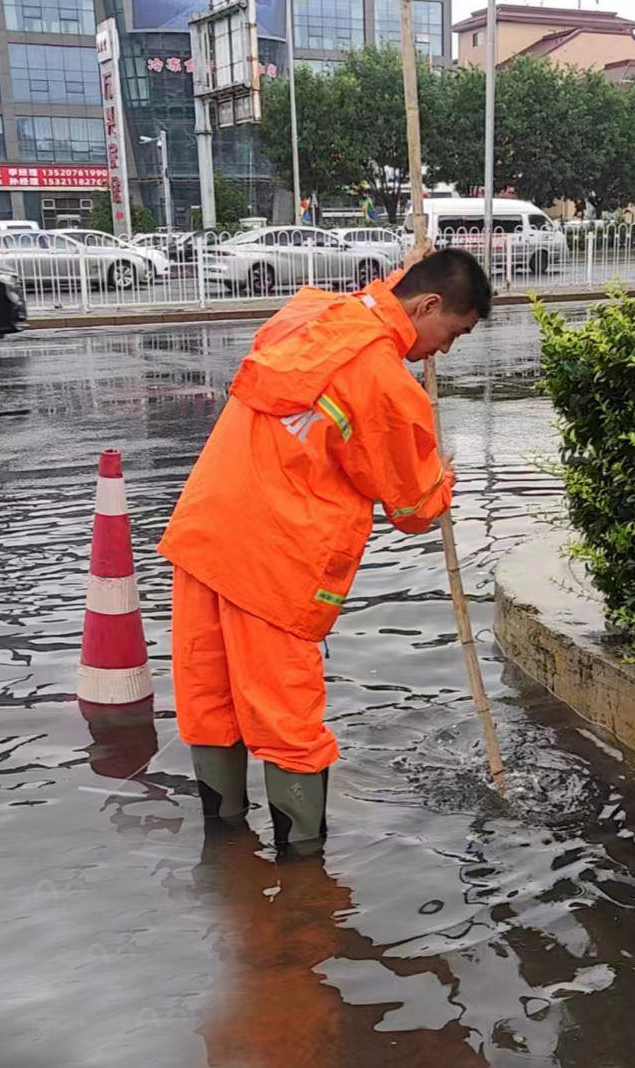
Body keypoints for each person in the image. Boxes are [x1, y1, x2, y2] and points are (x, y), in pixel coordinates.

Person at [157, 246, 493, 853]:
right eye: (454, 332)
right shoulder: (385, 383)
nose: (446, 349)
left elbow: (378, 306)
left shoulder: (309, 313)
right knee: (288, 724)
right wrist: (443, 477)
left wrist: (398, 283)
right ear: (430, 305)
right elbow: (414, 509)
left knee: (210, 701)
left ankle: (226, 850)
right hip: (274, 567)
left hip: (206, 536)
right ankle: (304, 886)